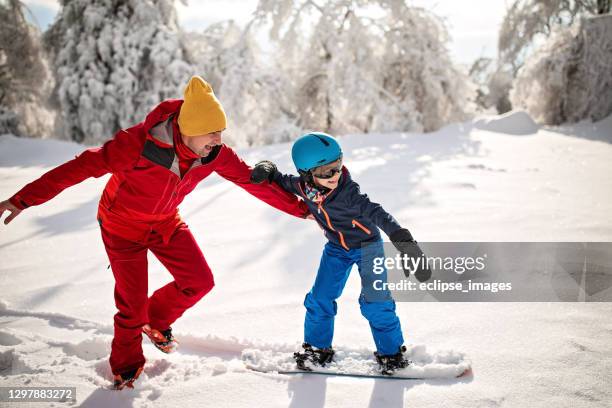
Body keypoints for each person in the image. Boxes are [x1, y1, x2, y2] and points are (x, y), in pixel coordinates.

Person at [0, 76, 310, 389]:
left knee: (199, 281)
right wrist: (23, 199)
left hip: (164, 222)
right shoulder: (136, 145)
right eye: (211, 132)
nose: (218, 139)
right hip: (121, 227)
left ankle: (156, 321)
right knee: (130, 307)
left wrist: (304, 210)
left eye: (220, 131)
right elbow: (77, 168)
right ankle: (126, 369)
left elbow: (251, 181)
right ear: (188, 127)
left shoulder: (214, 154)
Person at [250, 132, 431, 375]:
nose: (334, 175)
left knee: (375, 302)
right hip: (336, 249)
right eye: (326, 172)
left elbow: (378, 213)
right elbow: (282, 180)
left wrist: (404, 240)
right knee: (319, 298)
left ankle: (391, 354)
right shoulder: (304, 187)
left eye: (337, 166)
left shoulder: (349, 193)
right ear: (307, 175)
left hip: (369, 248)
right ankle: (317, 348)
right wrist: (267, 168)